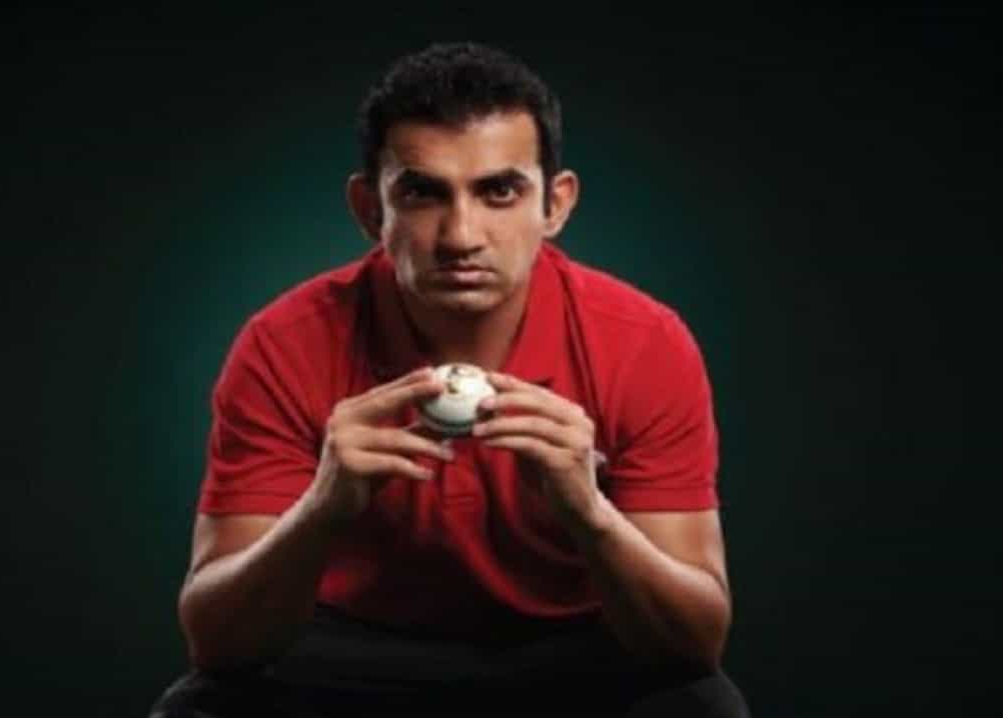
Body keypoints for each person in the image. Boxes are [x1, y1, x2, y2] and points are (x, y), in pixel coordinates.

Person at [149, 41, 749, 717]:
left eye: (499, 191)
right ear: (370, 210)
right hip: (352, 646)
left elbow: (694, 647)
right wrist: (323, 507)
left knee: (702, 708)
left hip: (576, 645)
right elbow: (218, 644)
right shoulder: (283, 342)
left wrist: (589, 511)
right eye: (422, 193)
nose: (461, 236)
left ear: (555, 205)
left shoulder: (643, 342)